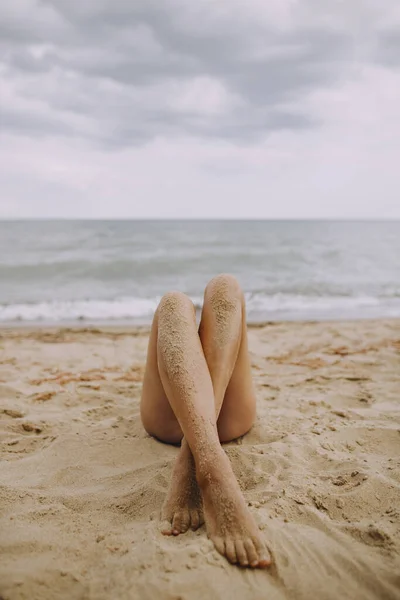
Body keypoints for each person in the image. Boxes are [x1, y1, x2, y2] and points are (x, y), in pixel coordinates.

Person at [140, 274, 271, 568]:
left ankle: (197, 457)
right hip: (228, 422)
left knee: (222, 286)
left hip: (172, 423)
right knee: (174, 301)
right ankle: (212, 462)